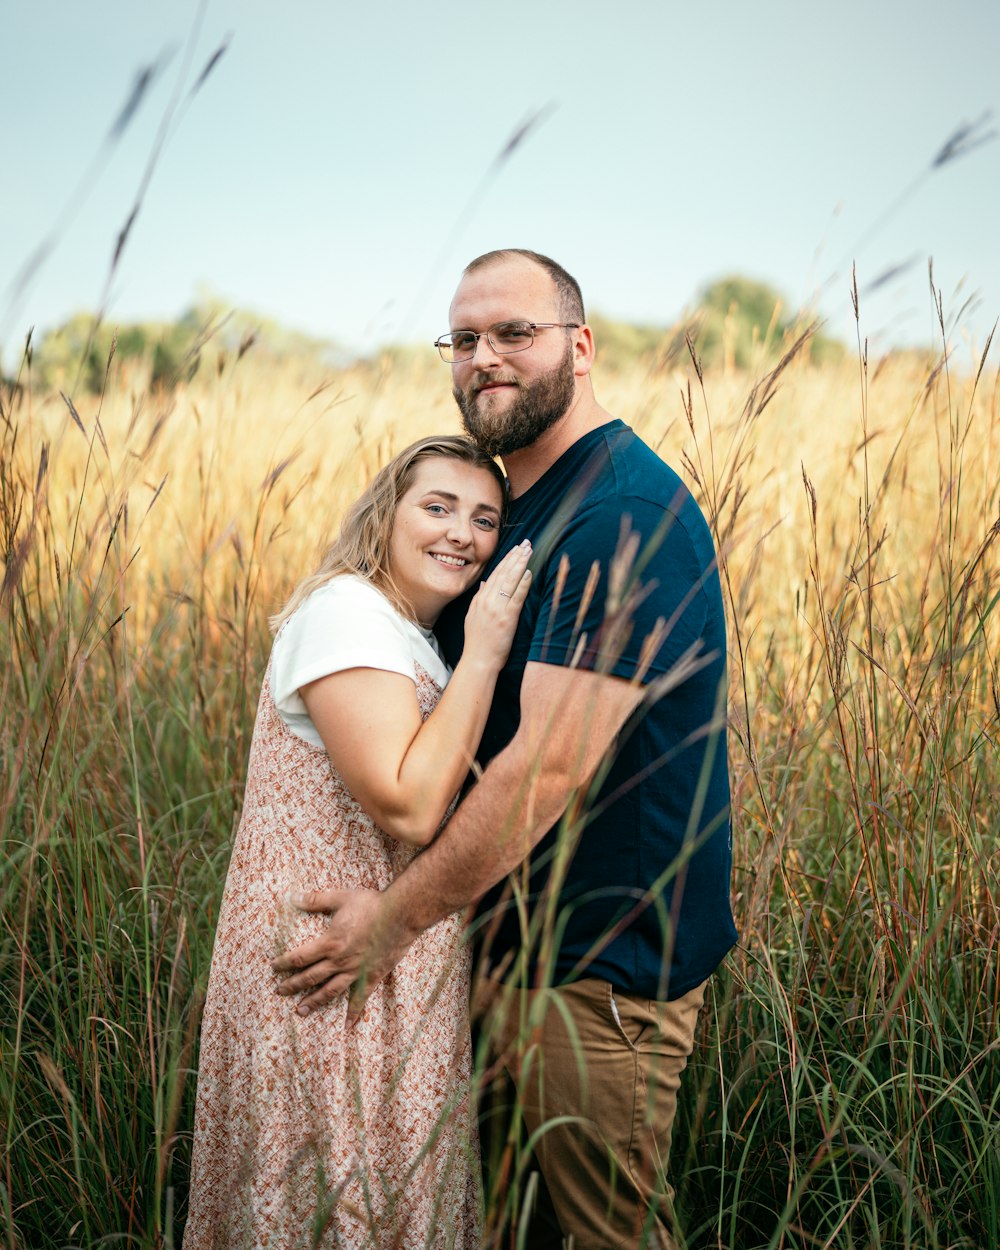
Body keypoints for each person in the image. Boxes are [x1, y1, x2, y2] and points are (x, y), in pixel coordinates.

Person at [272, 250, 738, 1249]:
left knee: (612, 1234)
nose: (483, 356)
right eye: (463, 338)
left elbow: (549, 767)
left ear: (579, 346)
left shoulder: (618, 510)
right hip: (502, 946)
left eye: (512, 332)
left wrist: (389, 923)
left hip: (593, 973)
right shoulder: (512, 504)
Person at [184, 434, 532, 1250]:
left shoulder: (404, 631)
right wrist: (485, 650)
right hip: (324, 965)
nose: (461, 533)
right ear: (387, 513)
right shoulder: (347, 612)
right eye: (437, 506)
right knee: (320, 1197)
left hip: (383, 951)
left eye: (485, 520)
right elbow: (408, 805)